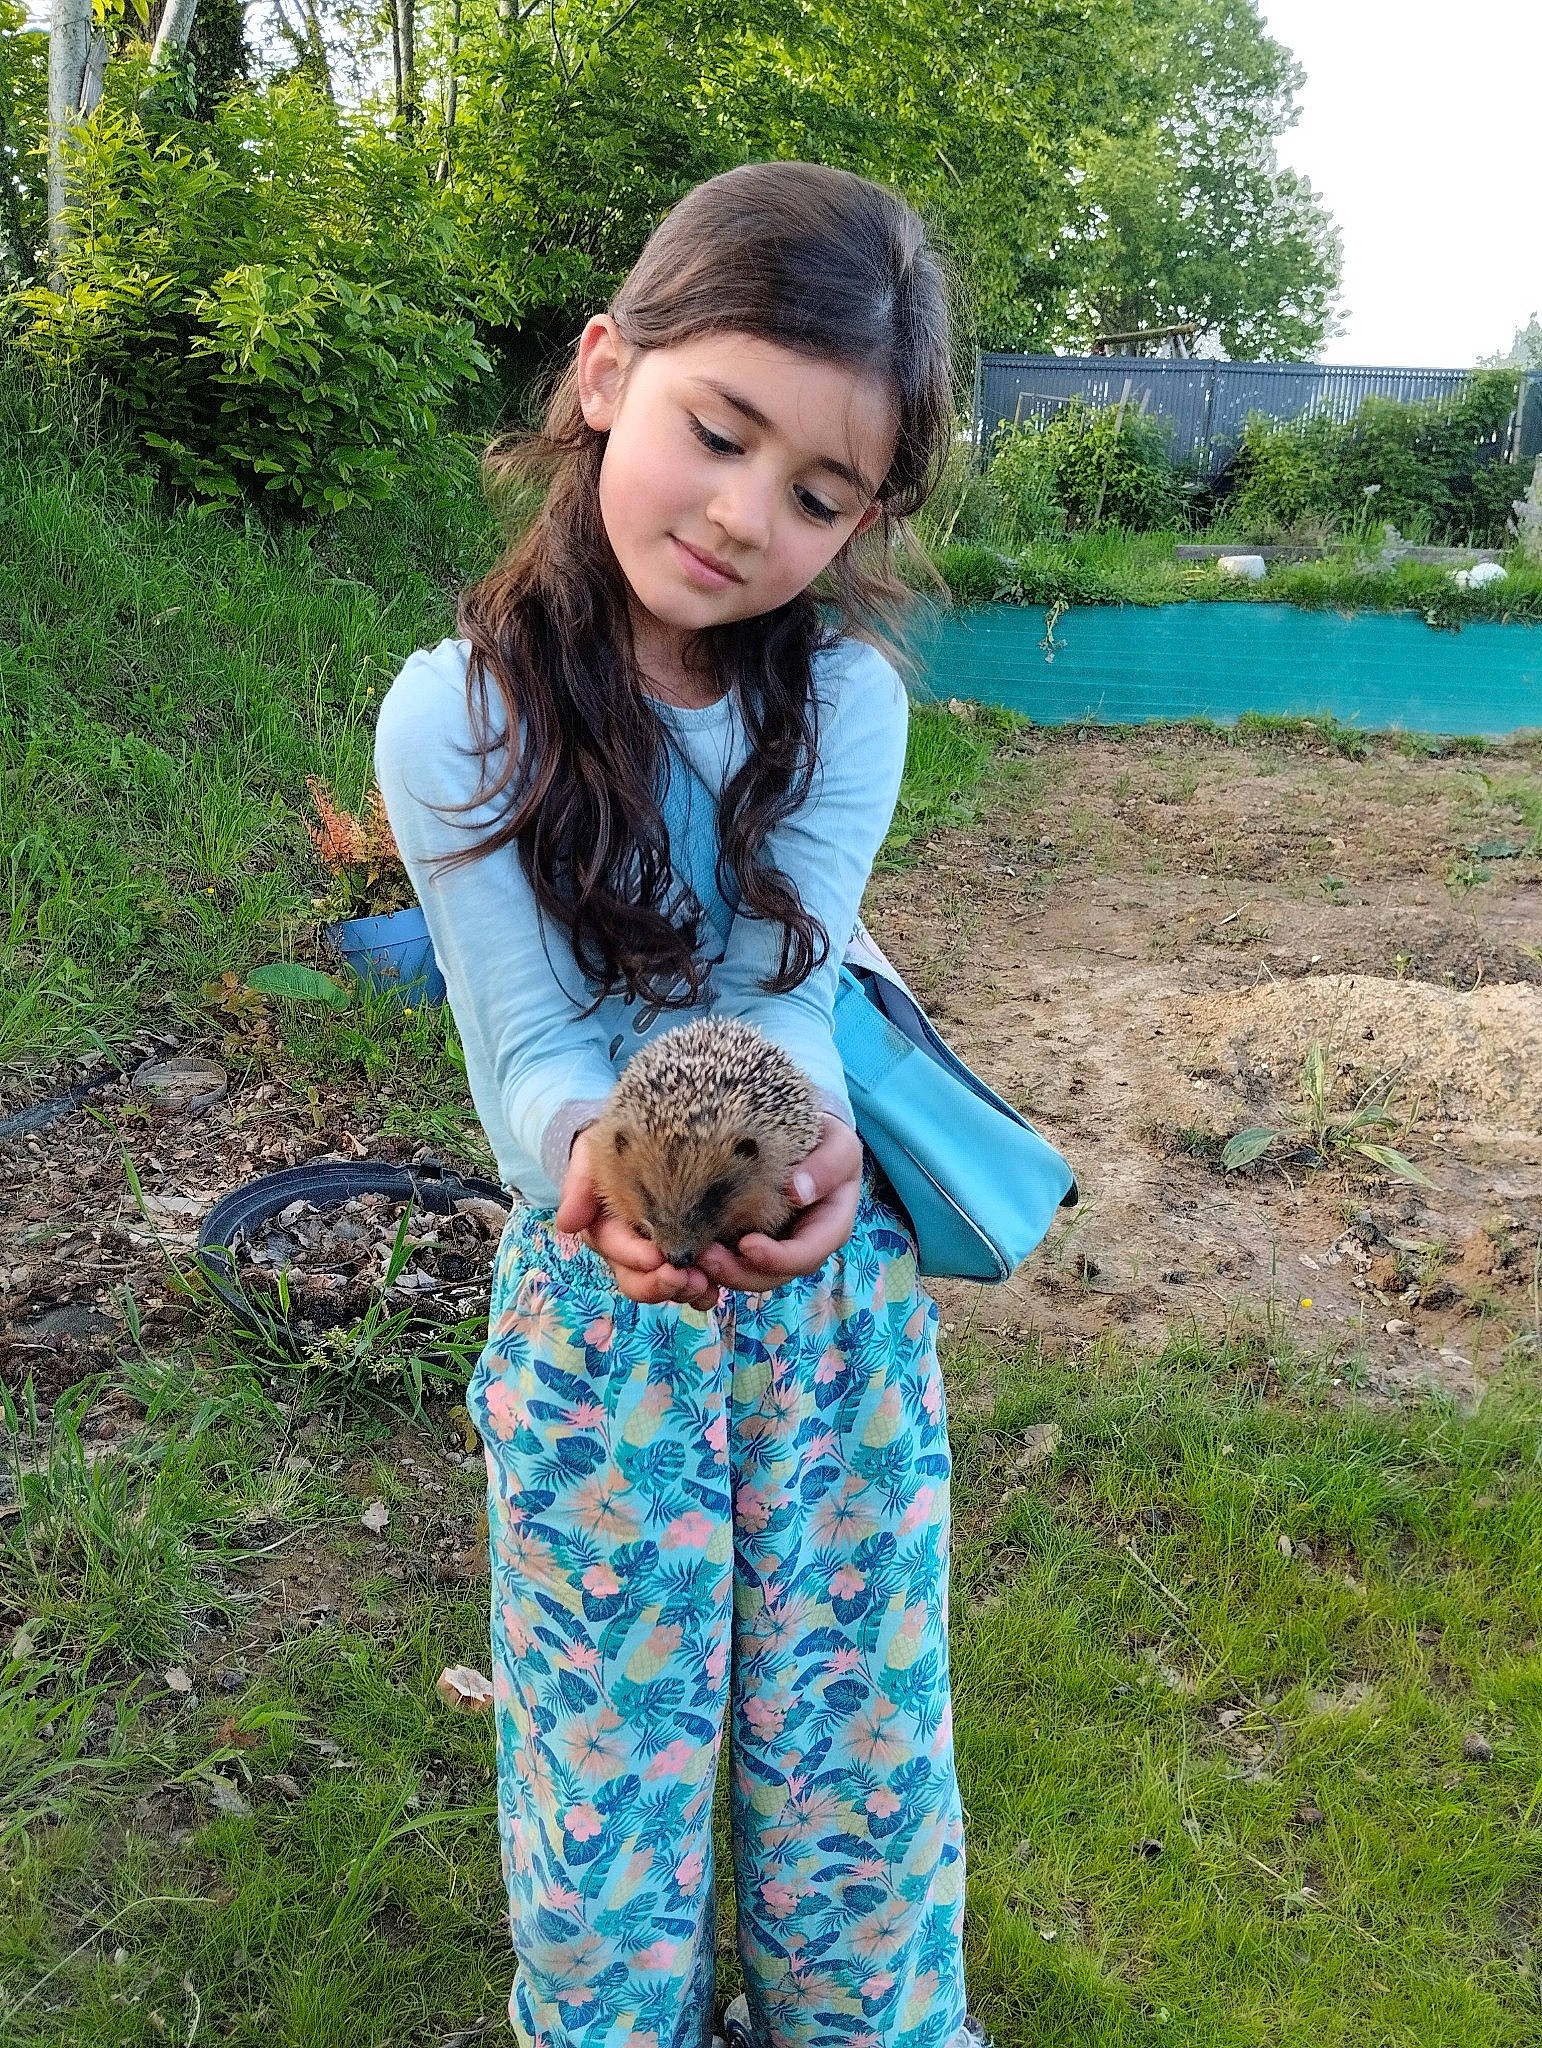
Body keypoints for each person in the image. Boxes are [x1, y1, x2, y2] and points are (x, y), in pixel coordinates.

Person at [377, 160, 983, 2048]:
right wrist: (599, 1177)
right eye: (720, 434)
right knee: (602, 1772)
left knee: (854, 1750)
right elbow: (531, 1042)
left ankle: (867, 2020)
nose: (745, 518)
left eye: (819, 495)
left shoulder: (850, 701)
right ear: (602, 371)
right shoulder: (450, 718)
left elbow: (782, 996)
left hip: (830, 1300)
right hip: (591, 1313)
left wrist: (796, 1156)